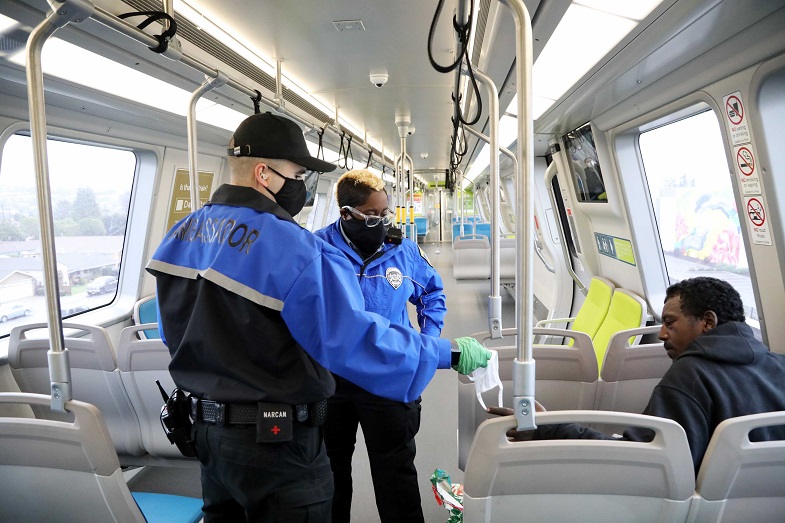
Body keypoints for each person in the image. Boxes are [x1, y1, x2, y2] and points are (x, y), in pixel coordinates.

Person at [146, 111, 490, 522]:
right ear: (264, 174)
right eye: (298, 173)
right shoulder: (293, 247)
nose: (303, 186)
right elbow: (350, 335)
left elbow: (175, 335)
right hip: (274, 441)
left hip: (208, 435)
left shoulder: (181, 234)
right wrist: (444, 351)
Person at [491, 276, 785, 474]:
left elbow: (640, 464)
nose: (661, 334)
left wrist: (548, 428)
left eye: (670, 323)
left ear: (708, 321)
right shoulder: (779, 366)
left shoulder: (689, 378)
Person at [314, 169, 445, 523]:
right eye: (372, 215)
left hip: (389, 375)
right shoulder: (318, 250)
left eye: (385, 213)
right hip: (332, 379)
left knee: (396, 472)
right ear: (346, 214)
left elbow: (433, 293)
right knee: (329, 469)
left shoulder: (403, 251)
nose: (381, 222)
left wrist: (426, 343)